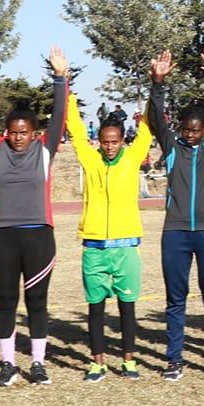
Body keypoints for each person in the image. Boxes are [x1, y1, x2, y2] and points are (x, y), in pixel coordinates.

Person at [0, 45, 68, 386]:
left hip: (39, 236)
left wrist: (59, 78)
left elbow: (60, 116)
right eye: (12, 132)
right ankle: (8, 364)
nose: (18, 137)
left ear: (34, 133)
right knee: (6, 300)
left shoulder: (44, 151)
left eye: (24, 132)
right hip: (4, 238)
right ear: (5, 132)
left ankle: (38, 364)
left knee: (37, 301)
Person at [62, 56, 155, 382]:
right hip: (95, 249)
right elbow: (74, 127)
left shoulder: (131, 159)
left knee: (128, 308)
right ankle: (97, 362)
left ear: (123, 141)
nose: (111, 147)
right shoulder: (90, 159)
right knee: (96, 309)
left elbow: (147, 128)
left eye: (115, 141)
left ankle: (129, 361)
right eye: (106, 142)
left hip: (127, 247)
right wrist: (65, 83)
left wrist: (156, 84)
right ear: (99, 142)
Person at [148, 49, 204, 382]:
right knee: (176, 299)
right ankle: (174, 360)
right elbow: (156, 117)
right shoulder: (172, 148)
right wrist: (158, 82)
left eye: (195, 130)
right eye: (185, 129)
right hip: (176, 233)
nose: (189, 134)